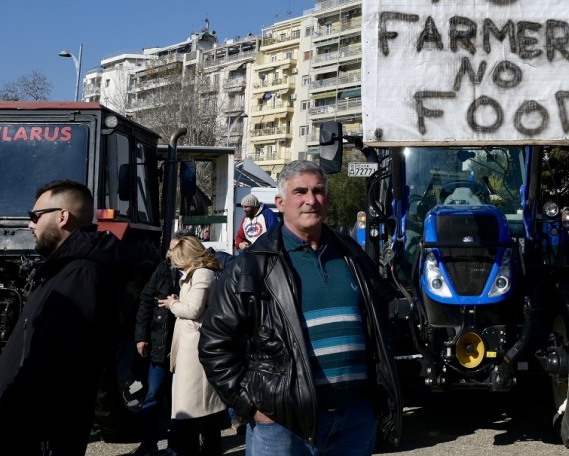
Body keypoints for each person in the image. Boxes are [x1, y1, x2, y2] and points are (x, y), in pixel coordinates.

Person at [199, 160, 402, 455]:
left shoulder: (353, 257)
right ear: (280, 203)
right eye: (300, 191)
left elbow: (381, 325)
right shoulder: (253, 265)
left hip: (354, 421)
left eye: (318, 191)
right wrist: (251, 406)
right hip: (282, 425)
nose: (311, 199)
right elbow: (215, 344)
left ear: (328, 200)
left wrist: (375, 401)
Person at [0, 179, 127, 456]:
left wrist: (10, 416)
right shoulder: (64, 270)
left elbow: (55, 363)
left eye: (35, 216)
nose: (30, 225)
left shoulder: (81, 276)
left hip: (31, 432)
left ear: (62, 217)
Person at [158, 236, 226, 456]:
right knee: (194, 406)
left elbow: (194, 311)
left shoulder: (202, 274)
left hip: (195, 346)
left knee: (195, 405)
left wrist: (173, 304)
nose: (174, 261)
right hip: (190, 343)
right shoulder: (195, 274)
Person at [130, 229, 194, 456]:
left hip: (185, 348)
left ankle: (178, 447)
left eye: (175, 249)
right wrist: (141, 337)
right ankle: (148, 444)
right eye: (169, 248)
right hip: (160, 345)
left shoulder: (196, 275)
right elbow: (146, 301)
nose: (170, 253)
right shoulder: (162, 270)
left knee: (181, 399)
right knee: (153, 395)